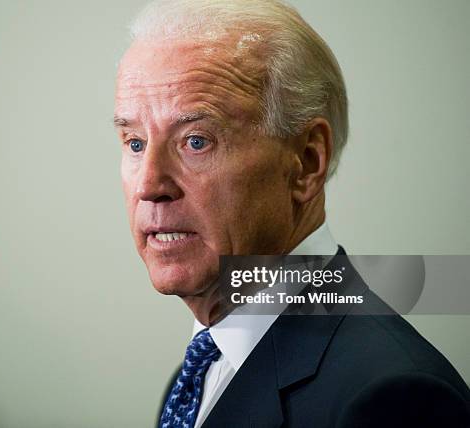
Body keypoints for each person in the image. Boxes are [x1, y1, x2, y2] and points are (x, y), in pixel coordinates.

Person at [112, 0, 470, 426]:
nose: (150, 186)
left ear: (305, 162)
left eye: (196, 140)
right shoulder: (199, 373)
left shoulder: (392, 397)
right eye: (134, 142)